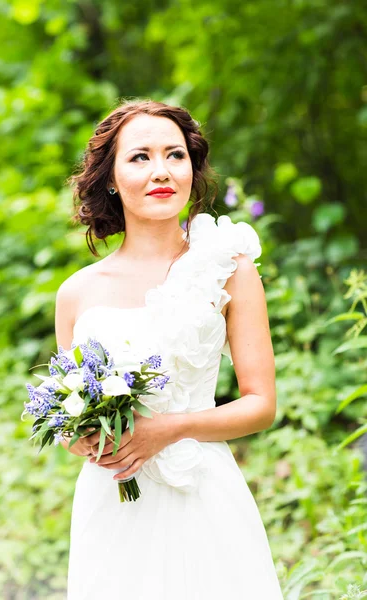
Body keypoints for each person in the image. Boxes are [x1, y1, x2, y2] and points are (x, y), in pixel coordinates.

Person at [55, 99, 284, 599]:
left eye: (174, 155)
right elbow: (71, 415)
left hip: (202, 495)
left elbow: (260, 404)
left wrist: (169, 429)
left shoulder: (229, 268)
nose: (161, 171)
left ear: (192, 168)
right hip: (112, 502)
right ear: (111, 177)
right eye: (139, 157)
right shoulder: (76, 293)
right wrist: (84, 438)